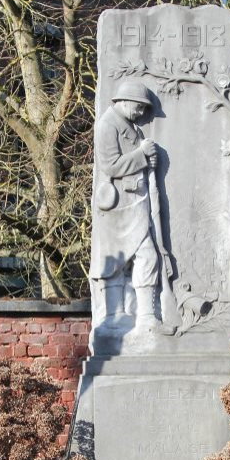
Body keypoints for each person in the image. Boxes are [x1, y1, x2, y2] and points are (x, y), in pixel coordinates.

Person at [89, 80, 164, 333]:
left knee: (148, 255)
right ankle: (114, 316)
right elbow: (111, 166)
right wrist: (142, 154)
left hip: (136, 203)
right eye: (139, 107)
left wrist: (148, 159)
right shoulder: (107, 125)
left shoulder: (131, 128)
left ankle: (146, 317)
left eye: (144, 109)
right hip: (117, 207)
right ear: (124, 101)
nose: (142, 113)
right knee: (114, 262)